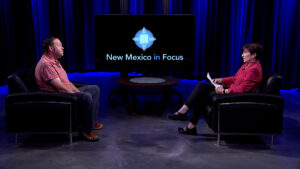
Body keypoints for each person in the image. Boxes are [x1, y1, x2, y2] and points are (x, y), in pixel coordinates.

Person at [168, 43, 264, 135]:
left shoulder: (254, 69)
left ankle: (188, 123)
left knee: (202, 96)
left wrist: (223, 91)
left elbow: (243, 90)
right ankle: (184, 114)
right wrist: (221, 80)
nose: (242, 55)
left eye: (245, 53)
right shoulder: (246, 65)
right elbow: (235, 79)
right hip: (232, 91)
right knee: (202, 86)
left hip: (236, 96)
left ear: (254, 55)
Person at [35, 36, 103, 141]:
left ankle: (91, 122)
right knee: (86, 97)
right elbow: (60, 87)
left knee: (94, 89)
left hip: (65, 92)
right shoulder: (46, 64)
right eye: (59, 45)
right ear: (51, 48)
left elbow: (66, 82)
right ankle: (85, 131)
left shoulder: (55, 62)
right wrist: (76, 94)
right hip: (58, 96)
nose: (63, 48)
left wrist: (77, 91)